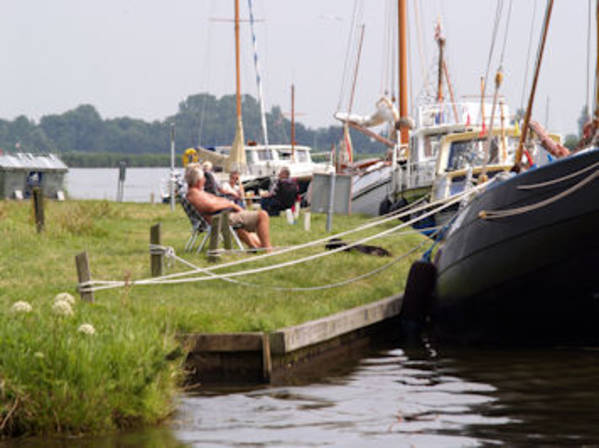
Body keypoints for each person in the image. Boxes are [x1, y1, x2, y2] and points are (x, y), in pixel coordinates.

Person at [185, 164, 271, 251]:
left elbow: (215, 199)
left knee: (241, 222)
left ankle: (255, 246)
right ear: (198, 181)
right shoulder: (195, 194)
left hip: (221, 217)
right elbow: (211, 207)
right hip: (220, 219)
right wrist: (230, 205)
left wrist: (227, 203)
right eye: (203, 178)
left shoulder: (196, 192)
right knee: (262, 215)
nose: (204, 180)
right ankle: (267, 249)